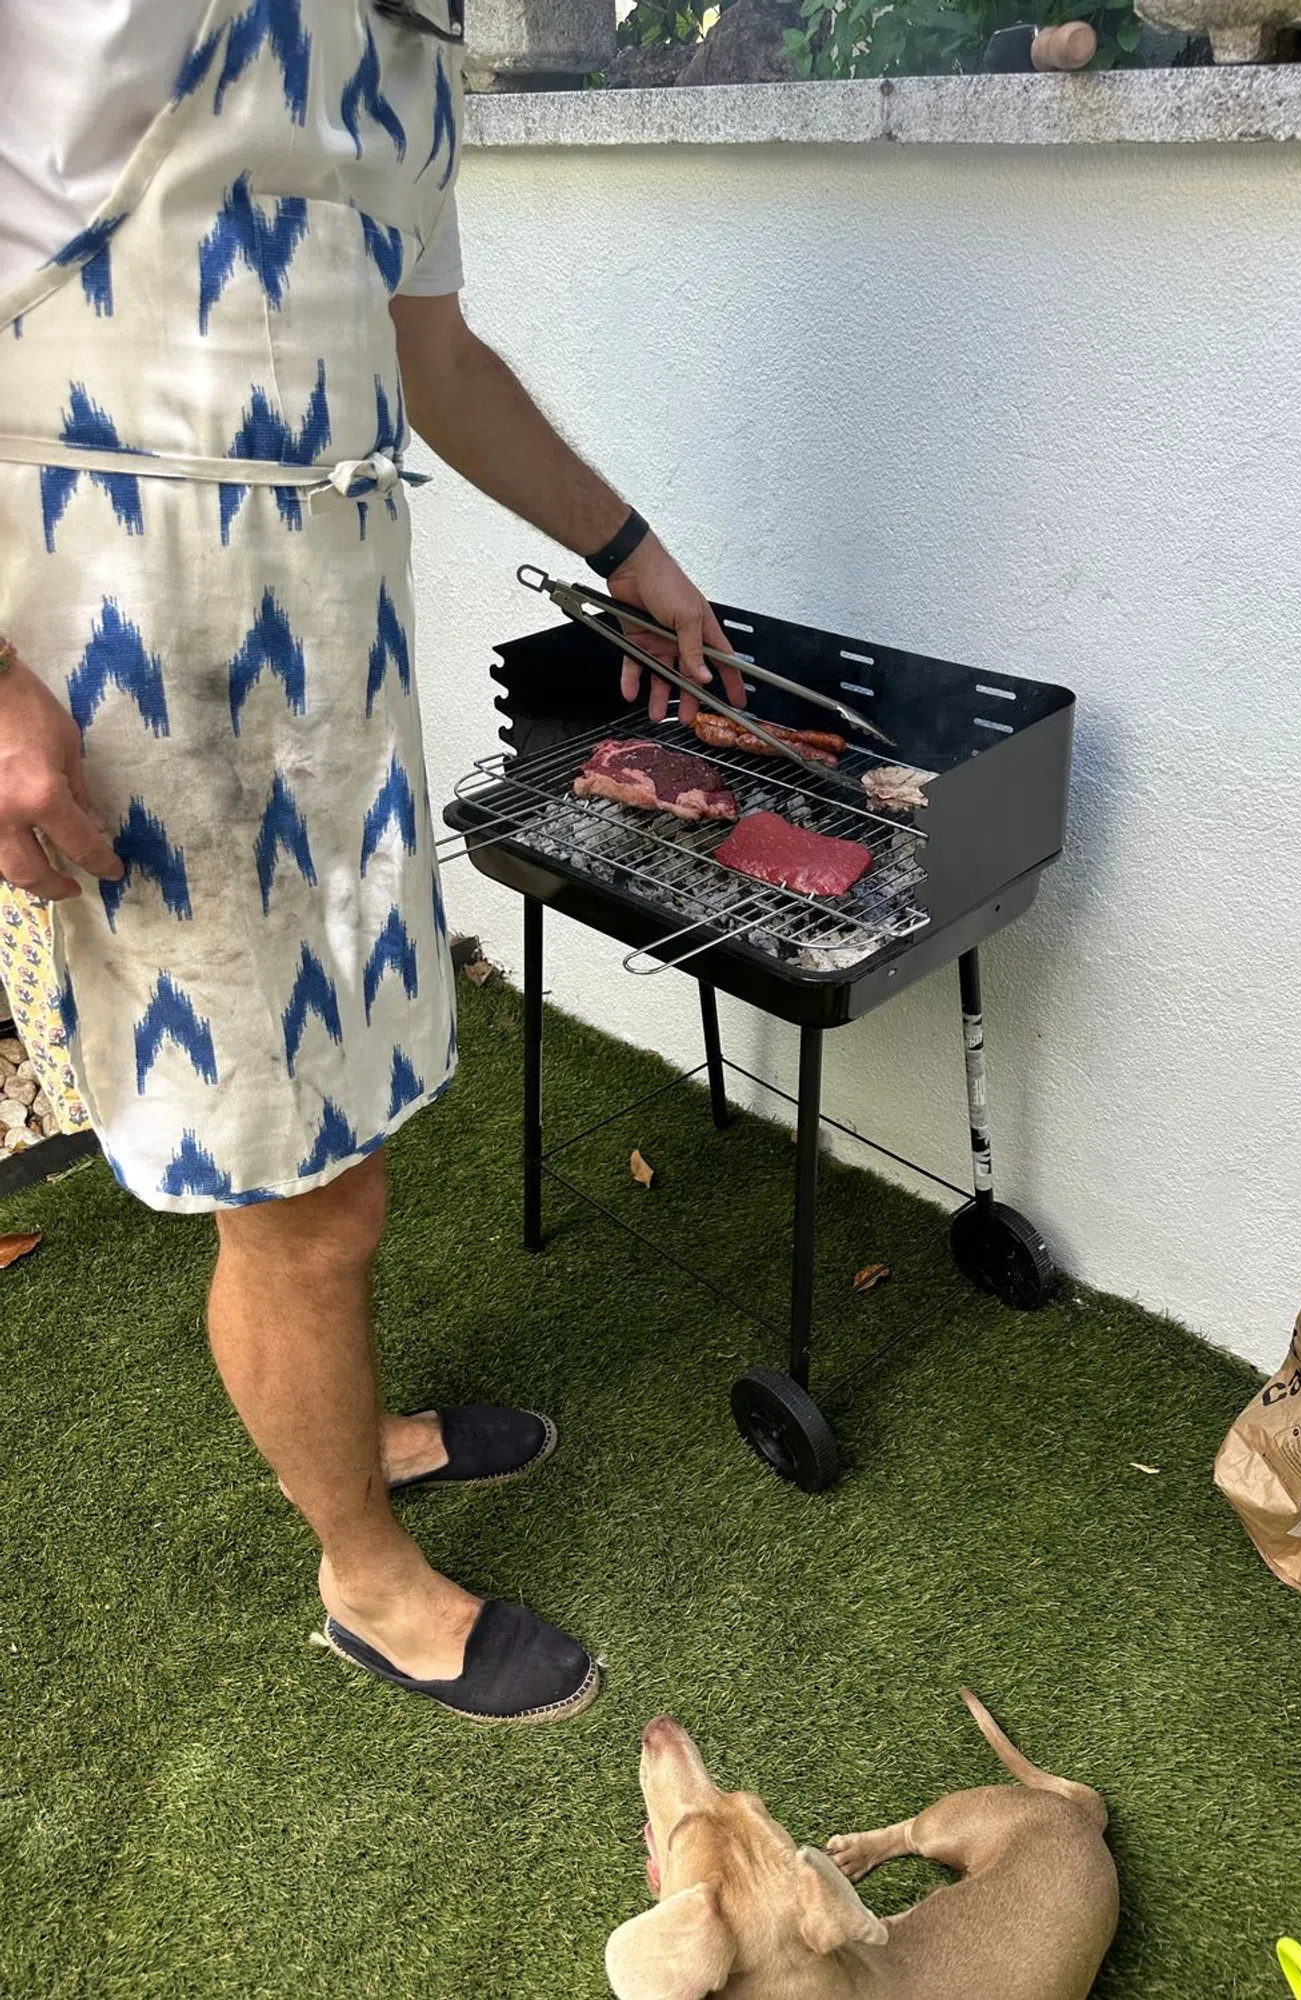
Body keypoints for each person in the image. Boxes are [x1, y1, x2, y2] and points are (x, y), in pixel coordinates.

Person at [0, 0, 744, 1725]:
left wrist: (627, 548)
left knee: (346, 1125)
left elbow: (438, 362)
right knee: (291, 1186)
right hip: (125, 633)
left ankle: (354, 1433)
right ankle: (364, 1577)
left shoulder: (403, 43)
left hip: (331, 639)